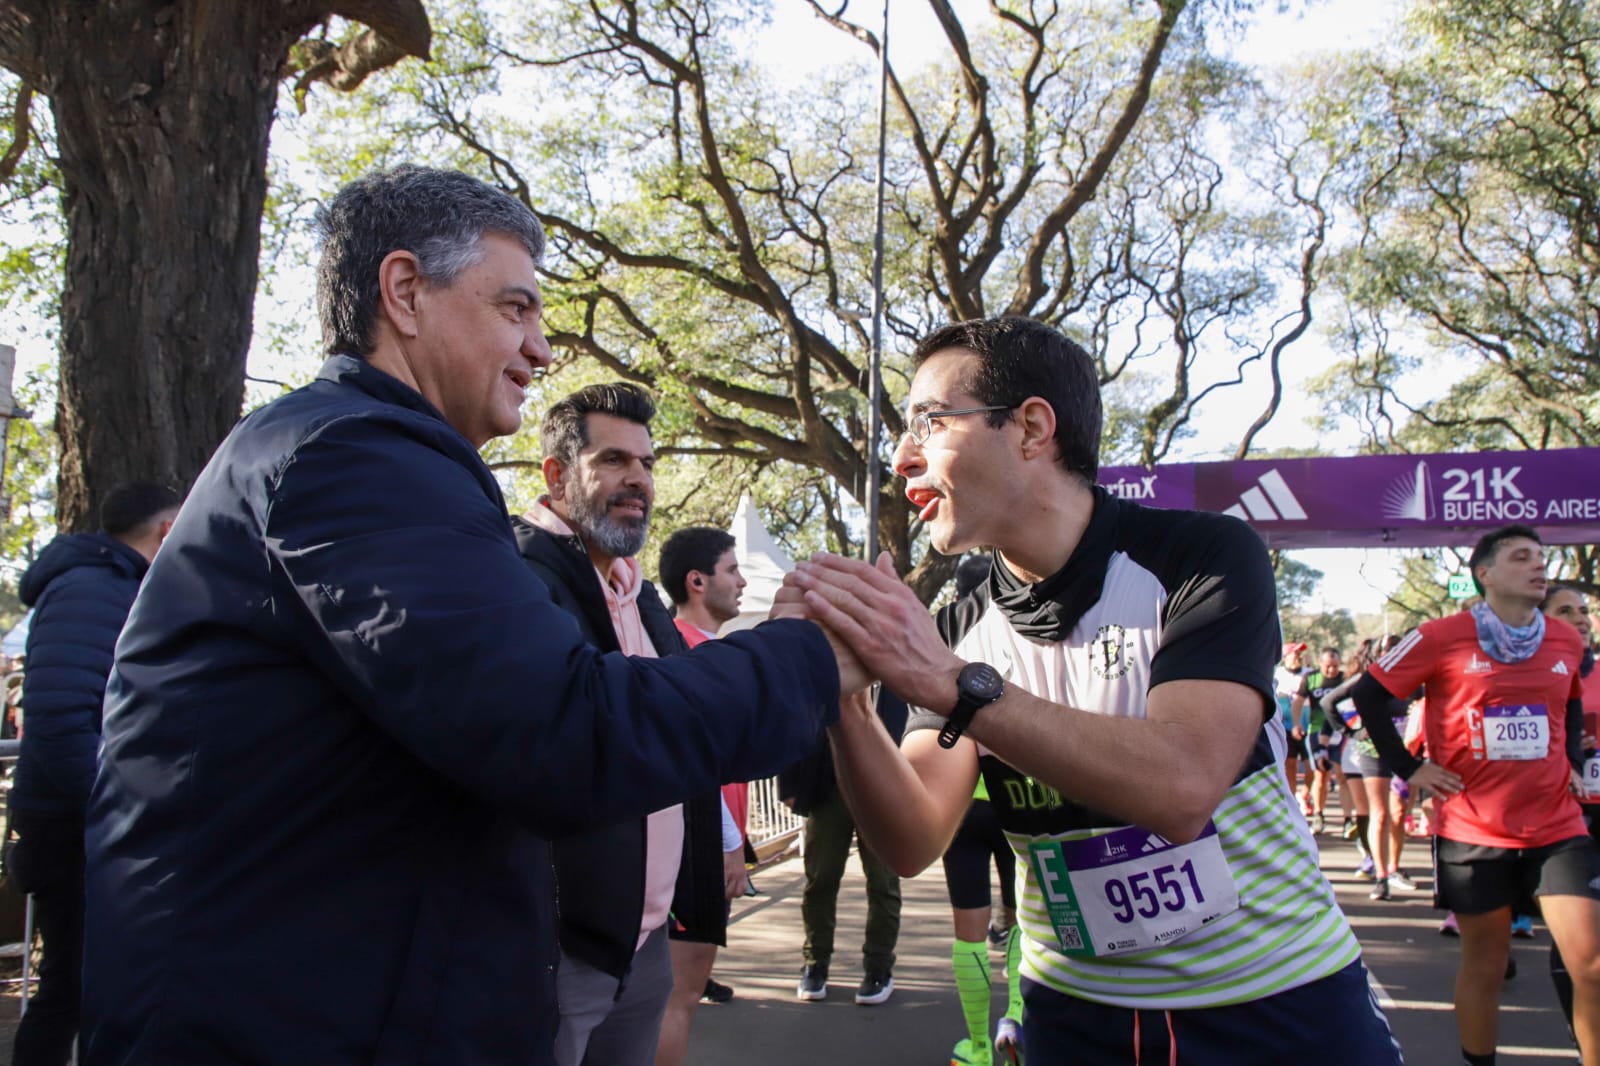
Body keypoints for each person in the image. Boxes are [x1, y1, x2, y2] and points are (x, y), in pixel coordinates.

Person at [80, 166, 855, 1066]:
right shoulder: (355, 456)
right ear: (405, 292)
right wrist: (807, 657)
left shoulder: (372, 456)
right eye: (515, 309)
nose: (541, 348)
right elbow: (562, 729)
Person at [780, 316, 1402, 1064]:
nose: (904, 457)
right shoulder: (955, 625)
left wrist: (952, 685)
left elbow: (1182, 787)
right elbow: (911, 839)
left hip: (1276, 1003)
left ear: (1032, 428)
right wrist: (845, 703)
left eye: (929, 422)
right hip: (1072, 1015)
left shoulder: (1200, 555)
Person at [509, 382, 724, 1065]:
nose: (638, 480)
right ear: (556, 474)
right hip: (558, 952)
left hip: (646, 941)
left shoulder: (640, 589)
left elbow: (682, 727)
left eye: (648, 464)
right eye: (612, 461)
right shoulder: (517, 576)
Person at [1356, 524, 1593, 1066]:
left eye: (1541, 556)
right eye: (1521, 557)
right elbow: (1367, 695)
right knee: (1487, 965)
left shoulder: (1566, 639)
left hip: (1557, 826)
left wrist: (1574, 762)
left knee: (1593, 965)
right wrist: (1409, 767)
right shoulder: (1441, 635)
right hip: (1472, 829)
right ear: (1484, 574)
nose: (1539, 565)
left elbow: (1573, 699)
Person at [4, 482, 180, 1066]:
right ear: (163, 529)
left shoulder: (110, 586)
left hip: (82, 822)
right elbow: (57, 721)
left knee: (92, 988)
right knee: (70, 992)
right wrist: (119, 813)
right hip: (73, 829)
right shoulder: (92, 588)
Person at [654, 523, 751, 1066]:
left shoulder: (701, 649)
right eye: (731, 570)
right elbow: (697, 766)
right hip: (694, 851)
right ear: (697, 581)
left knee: (675, 995)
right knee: (679, 995)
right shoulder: (685, 653)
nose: (741, 582)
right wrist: (730, 846)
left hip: (699, 845)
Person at [940, 554, 1023, 1066]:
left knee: (968, 933)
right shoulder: (1028, 640)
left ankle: (975, 1046)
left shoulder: (944, 646)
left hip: (961, 807)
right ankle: (1015, 1027)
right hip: (1021, 801)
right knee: (1023, 925)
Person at [779, 688, 905, 1007]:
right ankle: (815, 963)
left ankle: (878, 968)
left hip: (884, 793)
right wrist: (790, 784)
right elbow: (796, 713)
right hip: (828, 789)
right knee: (820, 881)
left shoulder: (897, 671)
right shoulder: (831, 657)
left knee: (883, 883)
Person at [1538, 582, 1598, 1041]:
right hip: (1568, 818)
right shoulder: (1535, 672)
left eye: (1584, 610)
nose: (1580, 618)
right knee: (1581, 946)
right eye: (1566, 610)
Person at [1291, 647, 1347, 835]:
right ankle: (1319, 814)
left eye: (1335, 666)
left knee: (1342, 775)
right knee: (1321, 774)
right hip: (1316, 730)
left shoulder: (1345, 678)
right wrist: (1296, 724)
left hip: (1340, 731)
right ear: (1320, 663)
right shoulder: (1311, 678)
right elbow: (1298, 702)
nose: (1332, 670)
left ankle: (1348, 818)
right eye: (1328, 666)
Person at [1275, 641, 1311, 811]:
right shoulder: (1278, 674)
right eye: (1295, 653)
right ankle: (1292, 802)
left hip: (1308, 727)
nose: (1299, 656)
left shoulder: (1309, 674)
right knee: (1290, 766)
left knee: (1312, 767)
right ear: (1286, 656)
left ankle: (1306, 793)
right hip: (1285, 727)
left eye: (1300, 653)